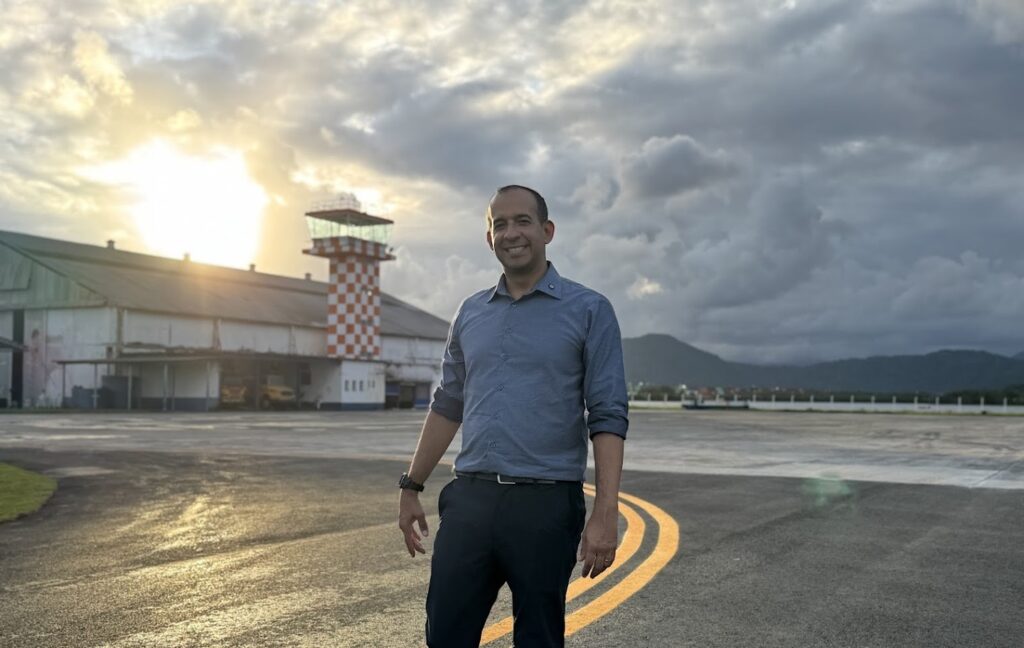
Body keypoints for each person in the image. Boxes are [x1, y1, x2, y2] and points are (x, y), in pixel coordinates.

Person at [397, 184, 629, 647]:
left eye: (522, 221)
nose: (511, 233)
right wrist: (411, 485)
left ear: (547, 231)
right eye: (499, 224)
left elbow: (607, 414)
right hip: (470, 501)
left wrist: (606, 512)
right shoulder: (470, 312)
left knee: (539, 638)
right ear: (489, 239)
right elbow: (448, 403)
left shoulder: (589, 310)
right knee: (444, 635)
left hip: (546, 505)